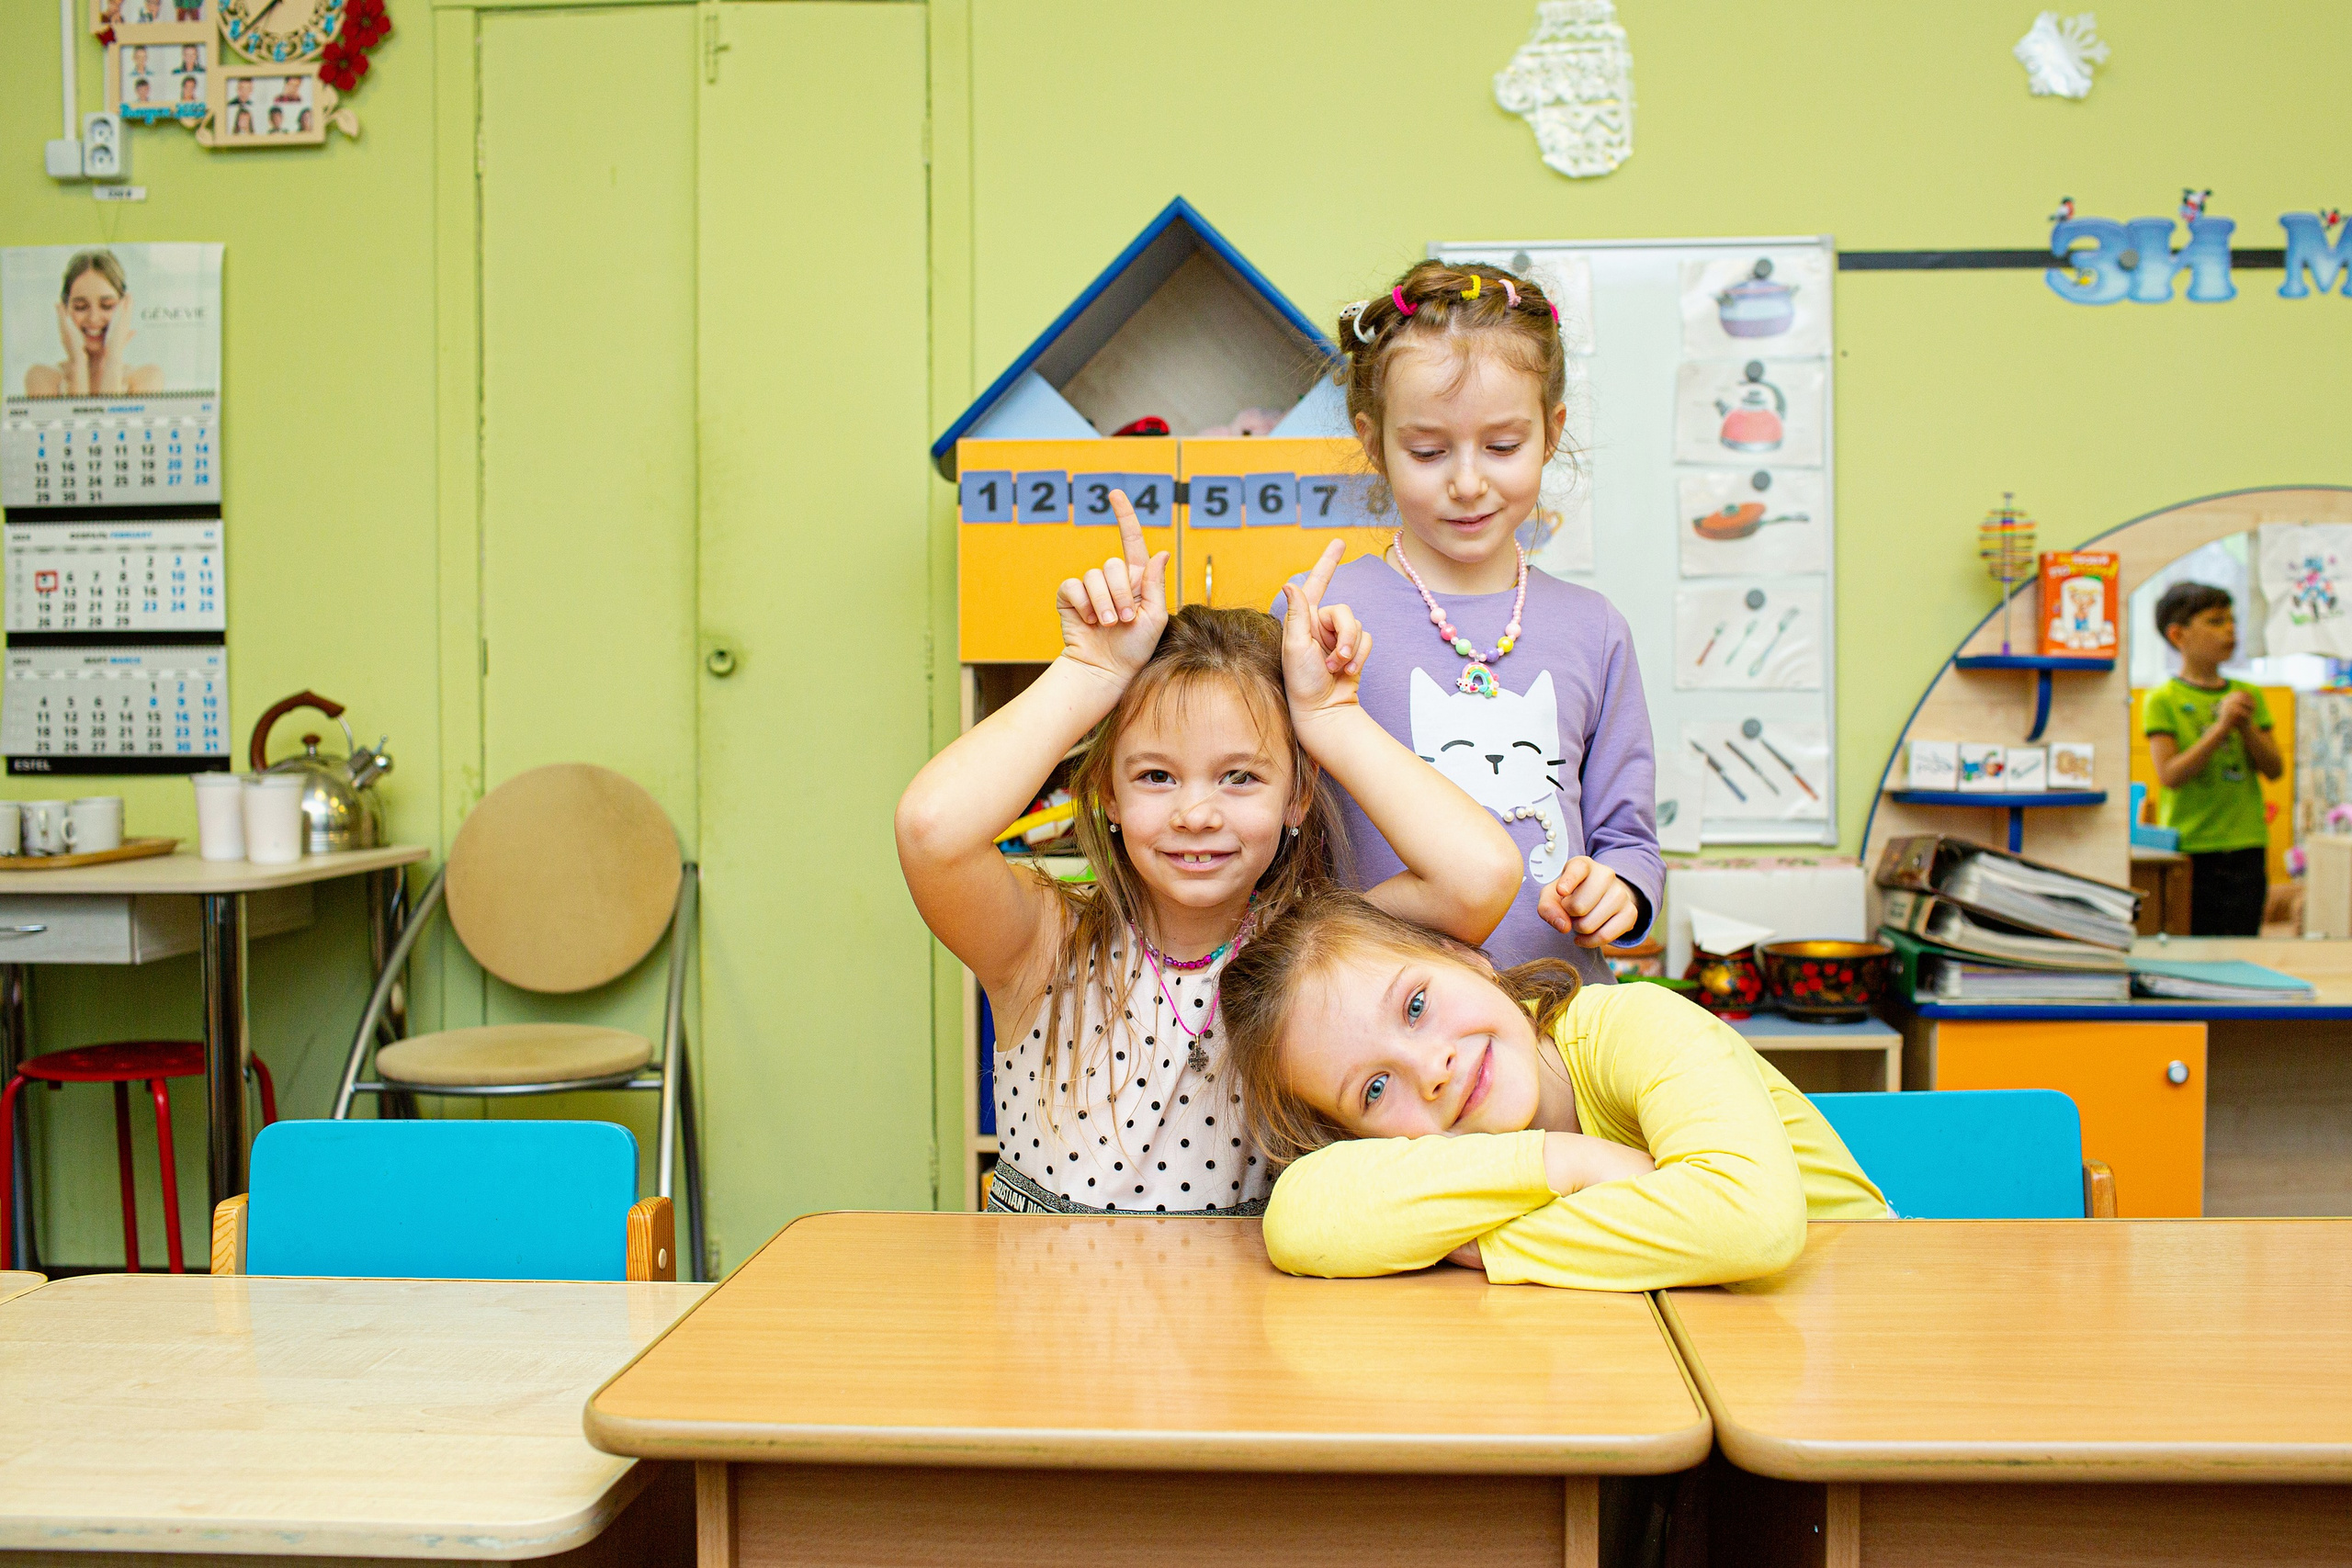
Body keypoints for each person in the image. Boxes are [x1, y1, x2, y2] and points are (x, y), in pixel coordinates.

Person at [897, 498, 1520, 1215]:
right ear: (1108, 793)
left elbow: (1482, 876)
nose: (1196, 814)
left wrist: (1333, 718)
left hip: (1235, 1290)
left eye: (1241, 776)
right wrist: (1088, 671)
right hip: (1040, 1289)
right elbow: (931, 830)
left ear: (1297, 796)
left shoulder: (1313, 967)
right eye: (1156, 776)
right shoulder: (1040, 947)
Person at [1280, 261, 1661, 986]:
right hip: (1376, 1016)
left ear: (1551, 433)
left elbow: (1629, 841)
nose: (1466, 481)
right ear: (1373, 442)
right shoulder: (1318, 620)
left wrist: (1620, 890)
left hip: (1562, 1015)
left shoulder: (1596, 630)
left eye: (1502, 446)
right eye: (1428, 451)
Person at [1219, 891, 1889, 1290]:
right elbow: (1301, 1223)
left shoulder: (1636, 1023)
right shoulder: (1455, 1151)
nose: (1430, 1069)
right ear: (1357, 1140)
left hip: (1870, 1318)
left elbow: (1754, 1222)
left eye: (1416, 1005)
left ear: (1467, 958)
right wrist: (1565, 1160)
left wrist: (1487, 1245)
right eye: (1373, 1090)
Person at [2144, 582, 2282, 935]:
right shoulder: (2162, 699)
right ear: (2178, 635)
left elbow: (2274, 769)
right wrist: (2220, 729)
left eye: (2232, 620)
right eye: (2216, 621)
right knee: (2193, 946)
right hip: (2191, 848)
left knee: (2242, 943)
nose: (2230, 630)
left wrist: (2245, 726)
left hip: (2247, 845)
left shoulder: (2248, 695)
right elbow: (2170, 775)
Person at [24, 251, 163, 399]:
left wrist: (113, 358)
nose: (93, 318)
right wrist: (78, 362)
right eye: (81, 307)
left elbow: (111, 415)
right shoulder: (42, 378)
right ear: (65, 310)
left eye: (107, 305)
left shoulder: (147, 378)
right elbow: (77, 416)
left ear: (124, 309)